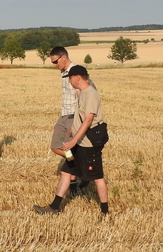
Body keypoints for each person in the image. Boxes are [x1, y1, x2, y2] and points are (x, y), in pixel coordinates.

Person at [34, 65, 109, 220]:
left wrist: (73, 140)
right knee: (66, 172)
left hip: (88, 145)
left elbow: (88, 120)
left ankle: (105, 212)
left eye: (70, 78)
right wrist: (72, 131)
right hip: (79, 142)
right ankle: (54, 208)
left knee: (97, 177)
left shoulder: (91, 95)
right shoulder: (82, 93)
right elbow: (81, 117)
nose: (69, 81)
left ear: (78, 77)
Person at [48, 46, 95, 191]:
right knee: (56, 146)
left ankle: (75, 178)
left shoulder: (77, 72)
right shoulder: (63, 72)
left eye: (55, 61)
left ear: (63, 57)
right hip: (64, 114)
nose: (55, 65)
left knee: (69, 147)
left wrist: (77, 122)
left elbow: (84, 94)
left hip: (73, 116)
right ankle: (81, 169)